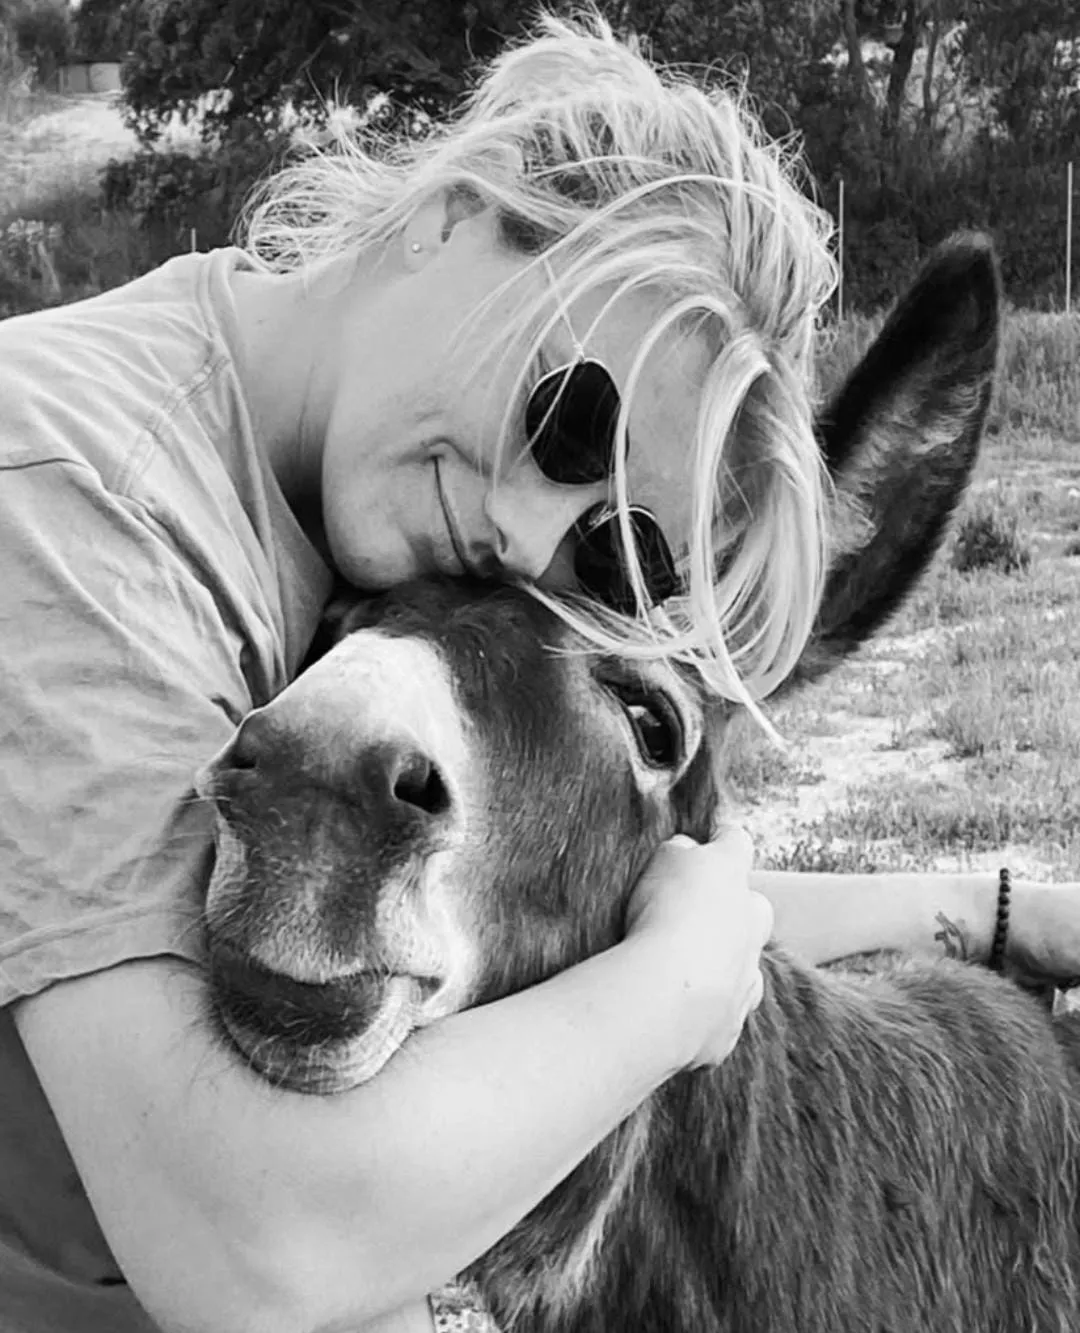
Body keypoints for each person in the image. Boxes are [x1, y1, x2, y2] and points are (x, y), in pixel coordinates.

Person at [2, 12, 1079, 1333]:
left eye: (608, 544)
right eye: (566, 413)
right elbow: (259, 1256)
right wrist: (671, 996)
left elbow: (581, 892)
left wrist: (982, 902)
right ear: (454, 212)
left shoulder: (326, 476)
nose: (526, 531)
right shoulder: (69, 495)